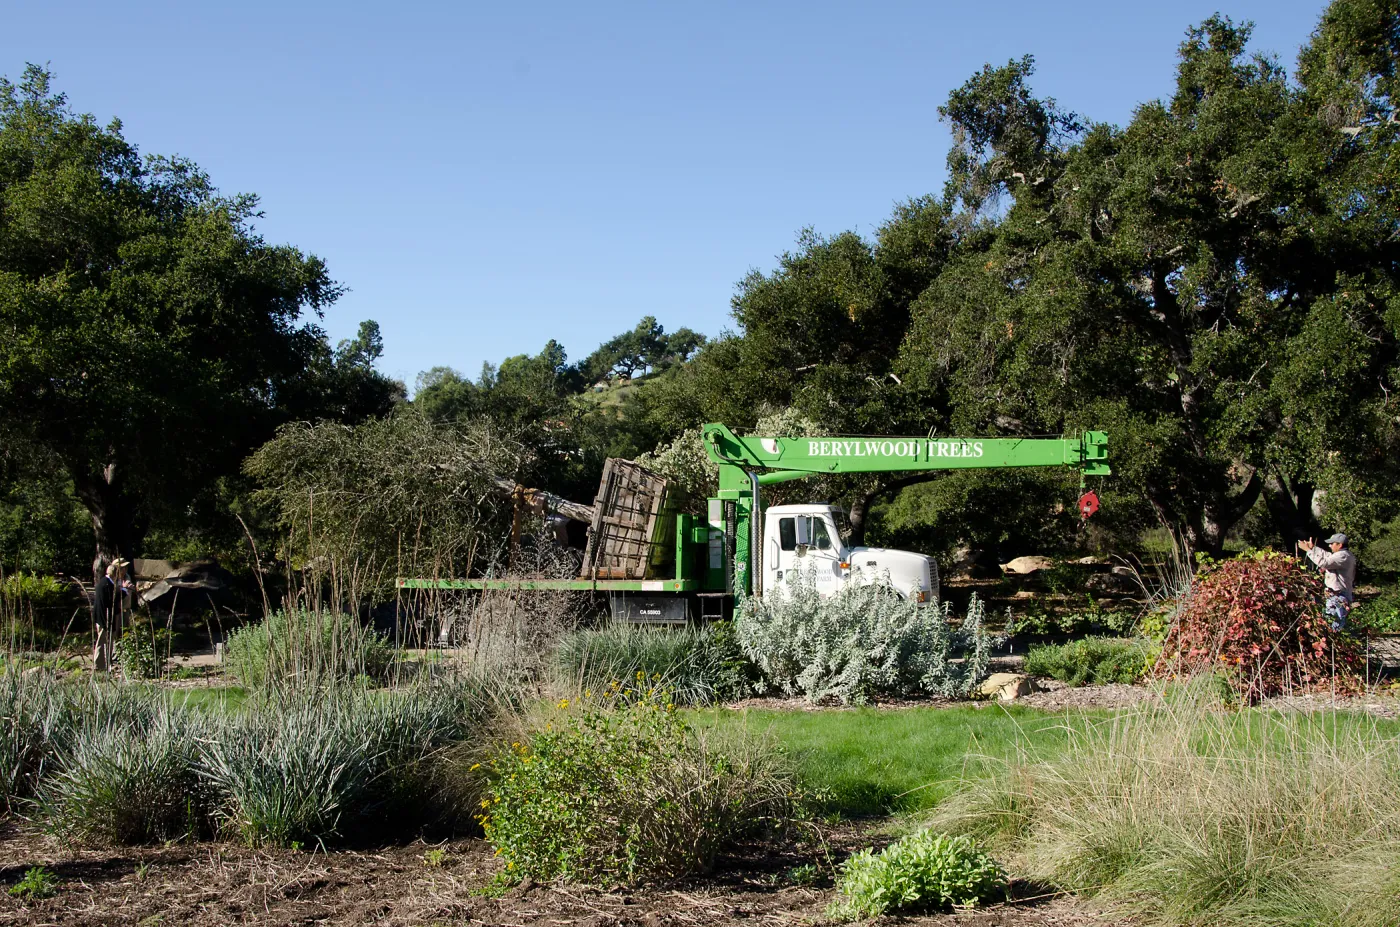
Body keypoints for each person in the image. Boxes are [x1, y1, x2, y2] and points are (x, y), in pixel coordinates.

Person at [1298, 533, 1357, 630]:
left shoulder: (1343, 556)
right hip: (1337, 595)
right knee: (1332, 622)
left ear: (1340, 545)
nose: (1329, 545)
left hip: (1338, 595)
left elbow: (1324, 563)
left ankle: (1334, 643)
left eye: (1332, 543)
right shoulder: (1344, 555)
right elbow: (1327, 556)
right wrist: (1313, 548)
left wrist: (1308, 551)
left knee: (1334, 625)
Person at [91, 558, 133, 669]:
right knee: (102, 641)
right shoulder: (107, 584)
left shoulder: (106, 582)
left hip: (106, 616)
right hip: (104, 617)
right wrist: (125, 591)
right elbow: (112, 600)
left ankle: (106, 664)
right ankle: (99, 666)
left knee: (108, 640)